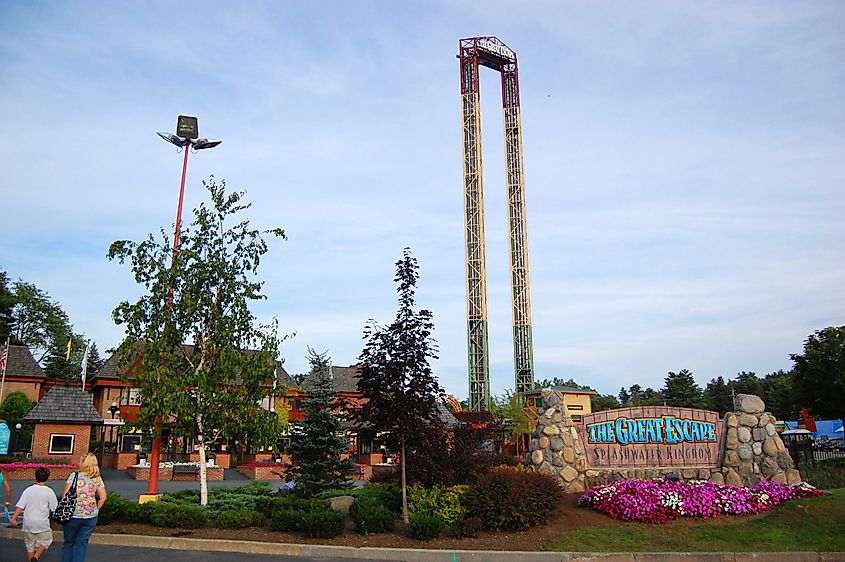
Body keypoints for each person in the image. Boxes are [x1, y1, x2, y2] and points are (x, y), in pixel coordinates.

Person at [60, 453, 107, 562]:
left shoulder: (74, 476)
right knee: (82, 543)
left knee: (69, 543)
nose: (78, 463)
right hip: (90, 516)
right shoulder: (97, 479)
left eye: (80, 461)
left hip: (73, 514)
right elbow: (103, 497)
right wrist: (96, 509)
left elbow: (65, 495)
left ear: (84, 463)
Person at [10, 467, 58, 562]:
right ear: (47, 477)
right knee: (46, 540)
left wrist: (13, 518)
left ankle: (32, 559)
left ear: (35, 476)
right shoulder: (49, 491)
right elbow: (54, 508)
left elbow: (20, 506)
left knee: (30, 544)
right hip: (41, 523)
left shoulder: (28, 490)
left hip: (28, 522)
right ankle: (36, 557)